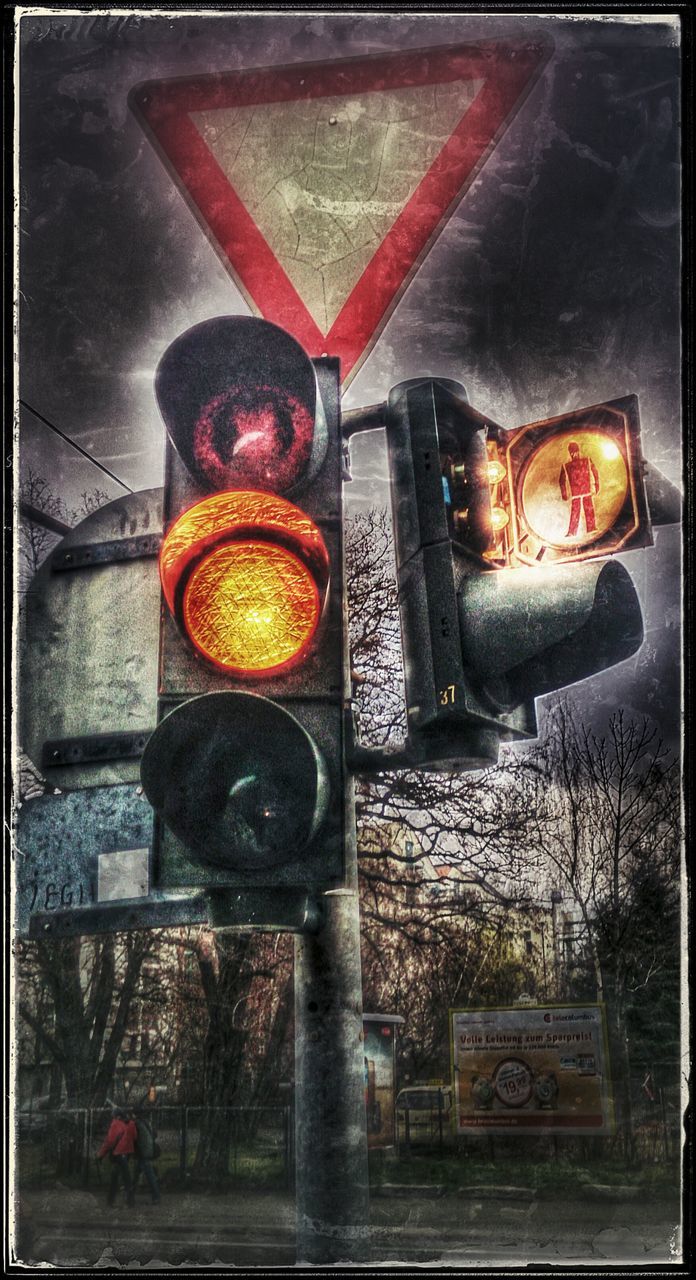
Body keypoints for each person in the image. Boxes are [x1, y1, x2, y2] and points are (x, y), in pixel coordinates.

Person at [558, 441, 600, 537]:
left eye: (574, 451)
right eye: (572, 452)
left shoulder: (586, 461)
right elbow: (561, 480)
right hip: (578, 492)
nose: (574, 454)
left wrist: (597, 484)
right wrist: (564, 493)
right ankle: (573, 531)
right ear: (570, 453)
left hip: (584, 491)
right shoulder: (567, 465)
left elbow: (595, 472)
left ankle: (589, 528)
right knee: (577, 510)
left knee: (586, 508)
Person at [97, 1107, 137, 1208]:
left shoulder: (115, 1124)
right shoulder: (131, 1123)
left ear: (117, 1116)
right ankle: (127, 1200)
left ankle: (113, 1200)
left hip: (118, 1153)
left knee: (118, 1177)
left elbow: (109, 1142)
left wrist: (101, 1155)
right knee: (124, 1177)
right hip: (127, 1152)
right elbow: (135, 1137)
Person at [131, 1107, 161, 1204]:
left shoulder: (137, 1124)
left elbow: (134, 1137)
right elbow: (153, 1135)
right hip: (146, 1151)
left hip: (143, 1153)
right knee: (136, 1174)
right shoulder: (144, 1123)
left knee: (150, 1176)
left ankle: (156, 1197)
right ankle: (129, 1195)